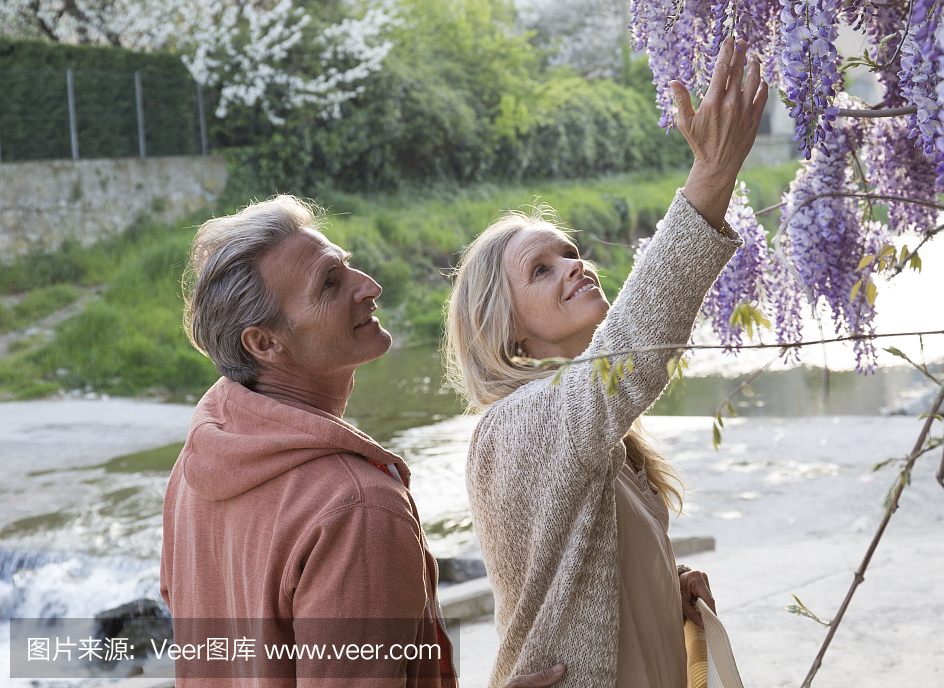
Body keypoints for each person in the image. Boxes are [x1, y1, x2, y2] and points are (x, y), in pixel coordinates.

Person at [443, 37, 768, 688]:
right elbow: (631, 356)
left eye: (570, 253)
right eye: (541, 269)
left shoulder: (598, 441)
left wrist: (658, 592)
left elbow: (581, 576)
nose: (574, 266)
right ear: (506, 333)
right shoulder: (514, 428)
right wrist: (711, 178)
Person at [162, 195, 566, 688]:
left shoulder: (198, 464)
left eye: (347, 267)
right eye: (329, 284)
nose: (370, 287)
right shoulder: (355, 509)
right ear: (264, 343)